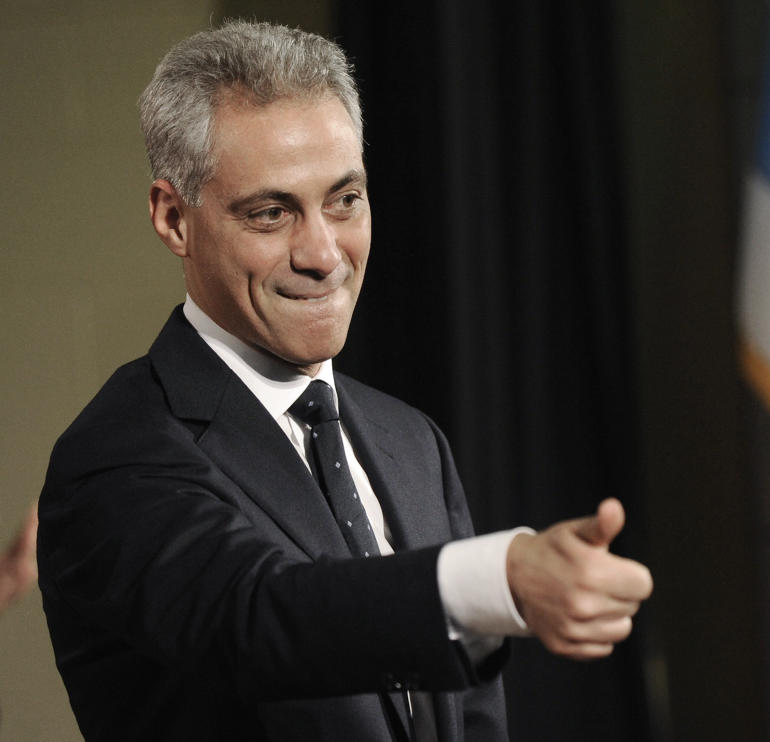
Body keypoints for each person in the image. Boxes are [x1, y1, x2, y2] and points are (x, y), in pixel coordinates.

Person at [37, 20, 652, 742]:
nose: (324, 253)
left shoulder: (409, 440)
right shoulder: (117, 456)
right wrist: (499, 580)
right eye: (272, 213)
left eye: (345, 200)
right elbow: (260, 617)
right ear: (174, 218)